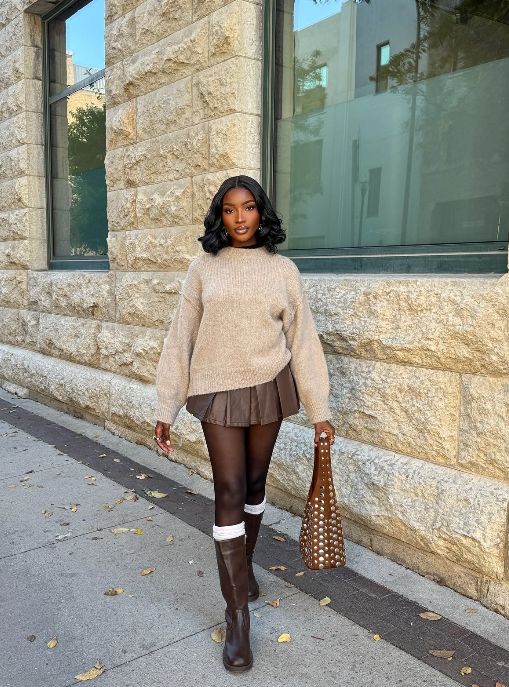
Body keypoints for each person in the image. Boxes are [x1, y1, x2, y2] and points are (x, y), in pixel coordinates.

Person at [153, 175, 335, 673]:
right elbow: (180, 336)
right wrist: (167, 406)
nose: (239, 218)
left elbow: (303, 341)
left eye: (248, 207)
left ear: (261, 212)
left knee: (255, 484)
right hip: (216, 389)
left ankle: (245, 568)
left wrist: (319, 411)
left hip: (269, 386)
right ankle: (237, 616)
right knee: (229, 488)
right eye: (230, 209)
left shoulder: (283, 270)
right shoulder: (203, 268)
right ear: (220, 215)